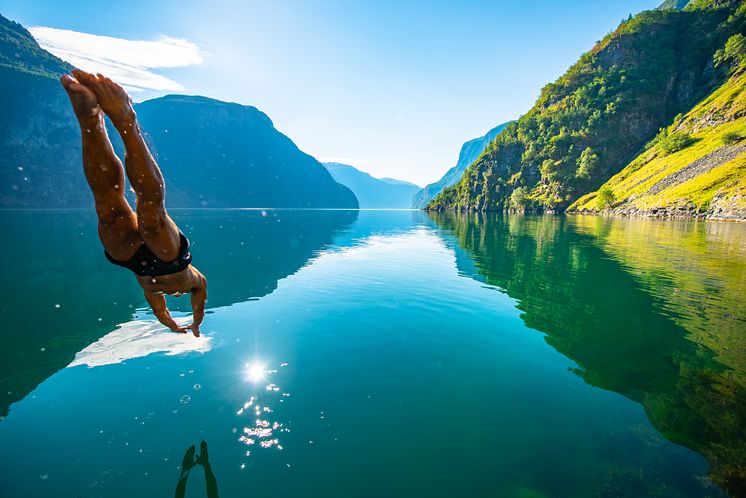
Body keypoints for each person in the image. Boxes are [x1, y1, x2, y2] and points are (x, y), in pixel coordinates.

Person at [60, 69, 207, 336]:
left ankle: (90, 120)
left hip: (131, 260)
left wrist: (172, 324)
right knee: (151, 214)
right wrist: (196, 322)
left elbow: (160, 311)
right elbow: (199, 303)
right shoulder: (195, 282)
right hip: (171, 260)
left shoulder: (153, 293)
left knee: (108, 211)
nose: (175, 297)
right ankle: (126, 120)